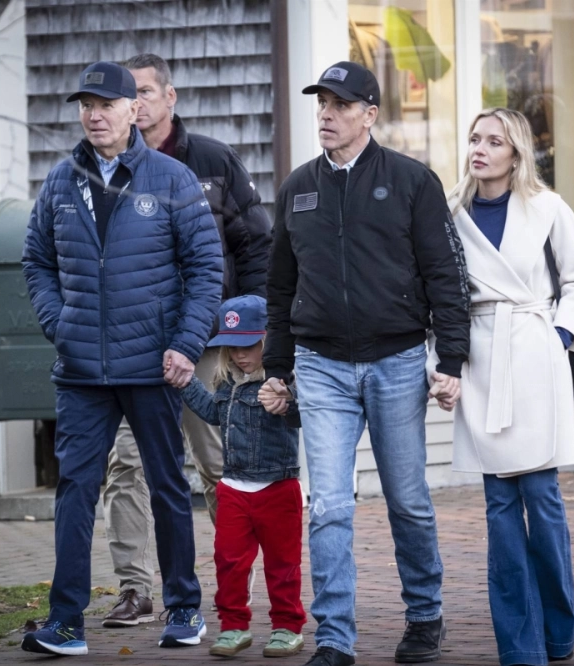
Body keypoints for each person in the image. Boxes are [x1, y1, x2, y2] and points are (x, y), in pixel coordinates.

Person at [263, 61, 470, 666]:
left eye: (340, 104)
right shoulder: (298, 189)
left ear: (370, 114)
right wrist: (278, 367)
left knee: (407, 499)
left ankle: (425, 617)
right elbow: (279, 288)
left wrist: (450, 356)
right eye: (321, 103)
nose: (326, 114)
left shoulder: (412, 182)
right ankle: (334, 640)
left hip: (397, 360)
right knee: (328, 505)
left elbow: (444, 277)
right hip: (320, 365)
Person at [20, 61, 222, 656]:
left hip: (151, 365)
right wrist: (61, 324)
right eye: (85, 103)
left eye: (106, 103)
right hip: (82, 372)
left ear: (135, 109)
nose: (94, 114)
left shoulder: (172, 179)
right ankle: (65, 623)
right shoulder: (60, 182)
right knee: (75, 491)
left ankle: (184, 608)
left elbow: (205, 269)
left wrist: (185, 344)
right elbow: (36, 261)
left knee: (166, 487)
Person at [99, 53, 272, 628]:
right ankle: (134, 587)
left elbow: (255, 249)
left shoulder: (214, 162)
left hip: (207, 344)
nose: (139, 103)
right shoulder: (107, 169)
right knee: (127, 466)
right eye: (131, 94)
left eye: (147, 91)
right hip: (134, 348)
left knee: (217, 463)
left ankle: (235, 578)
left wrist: (252, 333)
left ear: (170, 97)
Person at [430, 108, 574, 666]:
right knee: (499, 505)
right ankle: (520, 646)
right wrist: (445, 357)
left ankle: (559, 628)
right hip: (479, 355)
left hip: (533, 351)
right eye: (475, 138)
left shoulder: (547, 208)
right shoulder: (450, 213)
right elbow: (437, 289)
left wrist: (560, 335)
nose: (480, 149)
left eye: (494, 141)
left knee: (542, 498)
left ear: (516, 152)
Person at [177, 295, 306, 659]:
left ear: (269, 340)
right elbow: (211, 413)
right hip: (233, 487)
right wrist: (187, 381)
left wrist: (288, 400)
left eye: (248, 345)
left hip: (278, 486)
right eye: (231, 346)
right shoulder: (226, 384)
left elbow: (300, 416)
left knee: (283, 564)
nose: (239, 354)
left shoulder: (284, 383)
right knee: (229, 561)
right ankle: (234, 627)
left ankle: (287, 627)